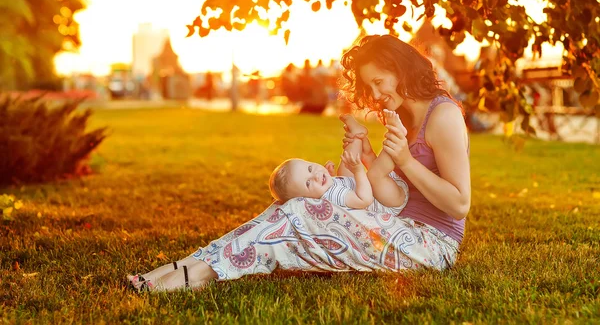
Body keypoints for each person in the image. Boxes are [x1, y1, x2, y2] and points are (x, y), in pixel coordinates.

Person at [127, 34, 471, 292]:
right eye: (370, 85)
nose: (376, 94)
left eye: (379, 82)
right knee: (289, 203)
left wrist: (406, 161)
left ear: (400, 69)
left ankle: (197, 275)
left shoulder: (442, 116)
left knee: (304, 211)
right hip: (395, 226)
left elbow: (459, 204)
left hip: (430, 247)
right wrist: (364, 154)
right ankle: (186, 265)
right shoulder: (405, 116)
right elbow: (390, 189)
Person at [269, 109, 410, 215]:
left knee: (345, 168)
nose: (316, 176)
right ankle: (396, 135)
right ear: (305, 199)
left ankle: (356, 134)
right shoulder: (332, 196)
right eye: (308, 183)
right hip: (390, 202)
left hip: (382, 191)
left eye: (310, 169)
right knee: (373, 174)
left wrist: (332, 177)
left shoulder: (326, 191)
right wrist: (359, 170)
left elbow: (341, 186)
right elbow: (364, 199)